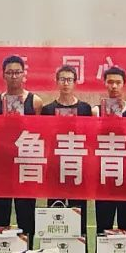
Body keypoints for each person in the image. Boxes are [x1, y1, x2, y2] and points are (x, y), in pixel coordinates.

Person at [0, 55, 43, 244]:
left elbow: (41, 132)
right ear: (3, 75)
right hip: (1, 166)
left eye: (17, 72)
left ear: (24, 74)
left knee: (26, 214)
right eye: (10, 72)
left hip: (26, 164)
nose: (14, 76)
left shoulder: (35, 102)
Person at [41, 65, 92, 238]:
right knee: (55, 213)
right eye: (62, 79)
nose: (66, 83)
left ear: (75, 82)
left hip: (78, 168)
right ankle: (53, 249)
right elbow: (44, 138)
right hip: (55, 168)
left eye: (69, 79)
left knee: (79, 213)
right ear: (57, 82)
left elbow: (90, 137)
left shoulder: (85, 109)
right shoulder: (47, 110)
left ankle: (81, 250)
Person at [92, 66, 126, 237]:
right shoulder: (96, 111)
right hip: (104, 175)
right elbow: (92, 141)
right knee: (103, 226)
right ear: (105, 83)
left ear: (124, 84)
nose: (114, 86)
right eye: (110, 82)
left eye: (118, 82)